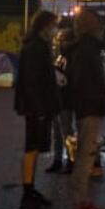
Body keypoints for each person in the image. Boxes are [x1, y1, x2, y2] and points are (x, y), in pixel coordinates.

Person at [66, 9, 105, 209]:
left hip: (88, 107)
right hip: (89, 108)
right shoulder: (86, 51)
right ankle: (79, 204)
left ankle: (82, 201)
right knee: (85, 156)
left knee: (87, 155)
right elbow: (86, 83)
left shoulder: (84, 49)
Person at [15, 10, 62, 209]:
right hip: (36, 108)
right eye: (54, 26)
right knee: (32, 148)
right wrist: (41, 109)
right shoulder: (36, 48)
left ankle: (30, 189)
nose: (56, 30)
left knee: (34, 148)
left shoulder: (37, 46)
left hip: (37, 106)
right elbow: (33, 82)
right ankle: (27, 193)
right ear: (45, 26)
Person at [45, 23, 76, 174]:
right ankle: (59, 160)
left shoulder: (70, 57)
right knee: (58, 134)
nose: (58, 43)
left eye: (61, 40)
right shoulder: (61, 57)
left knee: (66, 133)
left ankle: (70, 161)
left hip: (65, 99)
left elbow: (68, 79)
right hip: (58, 99)